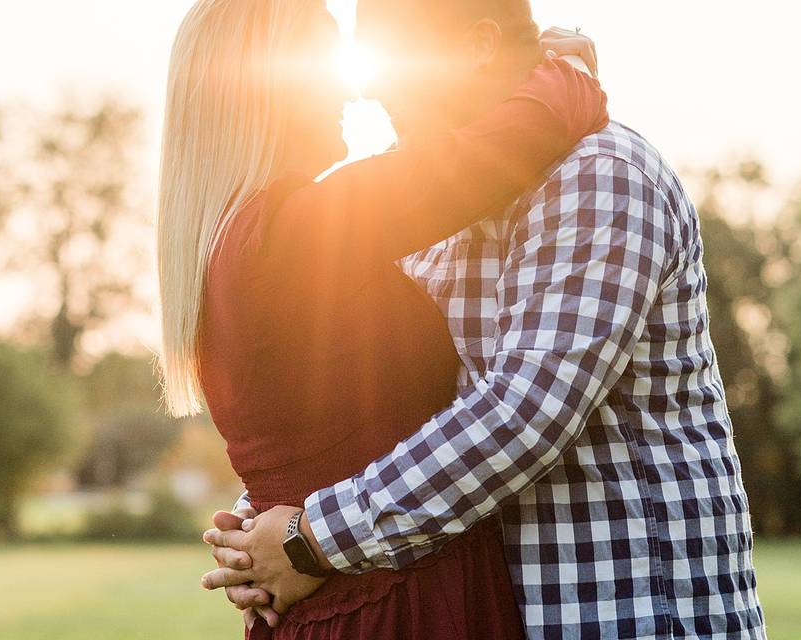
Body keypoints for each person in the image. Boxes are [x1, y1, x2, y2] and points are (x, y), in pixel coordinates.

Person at [202, 1, 768, 638]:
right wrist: (266, 521)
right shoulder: (421, 200)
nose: (368, 87)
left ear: (476, 46)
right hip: (494, 609)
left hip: (629, 607)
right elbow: (381, 401)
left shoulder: (598, 177)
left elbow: (524, 414)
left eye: (396, 61)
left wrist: (312, 538)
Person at [154, 1, 607, 638]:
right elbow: (499, 150)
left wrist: (268, 532)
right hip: (397, 603)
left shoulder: (236, 241)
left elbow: (318, 438)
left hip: (342, 596)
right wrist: (555, 68)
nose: (351, 88)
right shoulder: (292, 233)